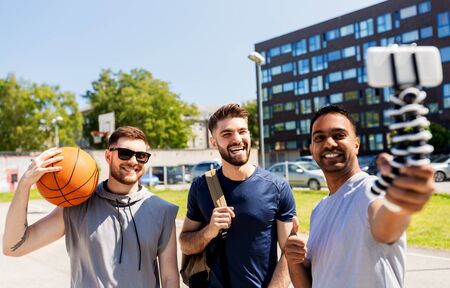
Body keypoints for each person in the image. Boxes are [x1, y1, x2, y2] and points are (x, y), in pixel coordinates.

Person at [3, 126, 179, 288]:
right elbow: (14, 247)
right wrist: (25, 183)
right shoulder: (77, 204)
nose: (133, 161)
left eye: (141, 156)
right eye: (125, 153)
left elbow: (169, 276)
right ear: (108, 156)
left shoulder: (162, 211)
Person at [285, 105, 435, 288]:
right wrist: (293, 259)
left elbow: (385, 228)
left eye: (339, 135)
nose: (329, 143)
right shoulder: (319, 209)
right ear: (312, 149)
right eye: (319, 137)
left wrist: (399, 205)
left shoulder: (370, 188)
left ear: (356, 144)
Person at [179, 103, 296, 287]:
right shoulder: (201, 187)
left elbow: (289, 254)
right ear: (214, 142)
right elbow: (185, 244)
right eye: (227, 134)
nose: (237, 139)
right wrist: (209, 232)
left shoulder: (277, 187)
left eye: (242, 131)